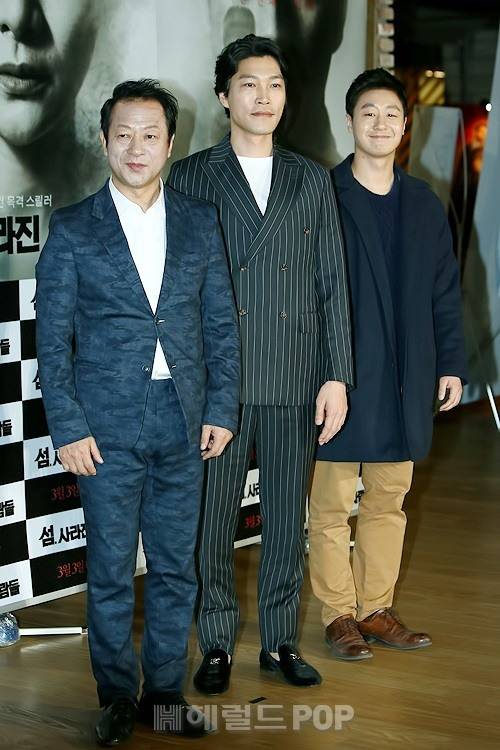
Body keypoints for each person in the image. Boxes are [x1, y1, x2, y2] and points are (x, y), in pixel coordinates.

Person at [35, 79, 240, 745]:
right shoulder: (73, 228)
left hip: (185, 419)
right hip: (105, 429)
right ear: (104, 141)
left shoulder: (199, 220)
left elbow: (220, 326)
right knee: (111, 570)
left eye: (150, 135)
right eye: (123, 134)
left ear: (170, 143)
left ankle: (164, 694)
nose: (136, 147)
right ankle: (118, 695)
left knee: (177, 567)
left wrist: (221, 407)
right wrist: (68, 427)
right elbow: (52, 340)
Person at [168, 34, 353, 693]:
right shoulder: (191, 176)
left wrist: (337, 375)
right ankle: (216, 643)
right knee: (213, 522)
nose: (264, 96)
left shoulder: (311, 178)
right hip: (218, 381)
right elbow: (174, 286)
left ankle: (279, 641)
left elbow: (332, 283)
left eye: (274, 84)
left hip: (293, 373)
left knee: (285, 522)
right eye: (249, 84)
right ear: (224, 96)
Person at [308, 68, 467, 662]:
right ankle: (338, 614)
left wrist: (449, 363)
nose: (379, 124)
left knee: (387, 499)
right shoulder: (322, 196)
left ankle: (375, 608)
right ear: (349, 121)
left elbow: (444, 292)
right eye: (368, 113)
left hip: (406, 377)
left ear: (405, 126)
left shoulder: (423, 202)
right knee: (329, 506)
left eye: (391, 115)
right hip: (342, 378)